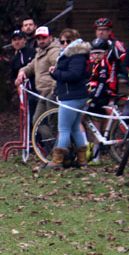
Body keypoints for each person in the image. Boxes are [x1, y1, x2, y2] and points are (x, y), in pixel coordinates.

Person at [47, 35, 91, 168]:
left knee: (64, 129)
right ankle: (82, 160)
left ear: (75, 42)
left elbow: (74, 75)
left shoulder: (75, 56)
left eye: (68, 41)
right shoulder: (74, 55)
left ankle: (57, 160)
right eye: (62, 41)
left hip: (71, 97)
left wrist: (56, 73)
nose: (64, 44)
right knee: (74, 128)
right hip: (74, 95)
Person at [14, 26, 62, 124]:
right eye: (38, 39)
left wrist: (54, 89)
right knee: (36, 121)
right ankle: (50, 139)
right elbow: (31, 66)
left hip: (51, 92)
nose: (41, 41)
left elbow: (58, 69)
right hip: (42, 93)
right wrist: (22, 72)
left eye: (44, 38)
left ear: (50, 38)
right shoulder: (40, 52)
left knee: (53, 123)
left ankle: (58, 139)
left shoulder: (54, 52)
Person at [93, 17, 127, 93]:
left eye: (104, 29)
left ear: (109, 31)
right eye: (98, 30)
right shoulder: (93, 44)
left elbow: (126, 62)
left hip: (110, 86)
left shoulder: (116, 44)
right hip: (94, 85)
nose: (101, 32)